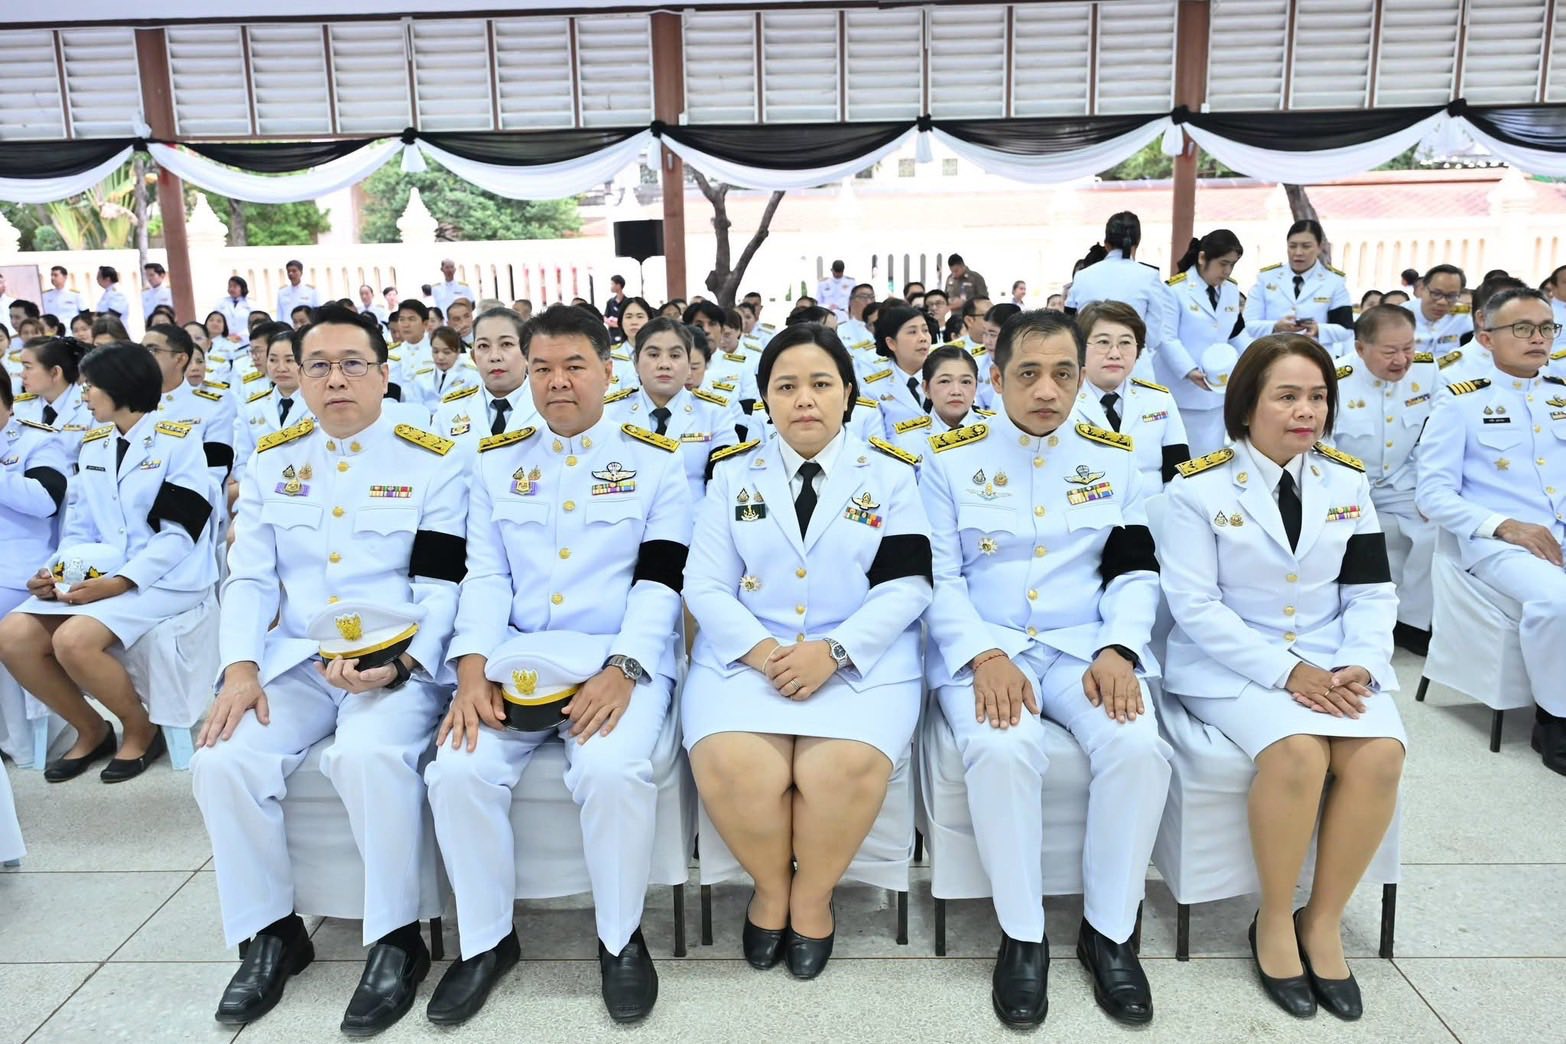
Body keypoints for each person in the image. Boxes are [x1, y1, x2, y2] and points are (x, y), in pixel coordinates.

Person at [191, 304, 468, 1033]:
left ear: (383, 374)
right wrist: (241, 669)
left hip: (396, 659)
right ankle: (271, 933)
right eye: (319, 365)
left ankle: (396, 940)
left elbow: (442, 583)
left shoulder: (433, 457)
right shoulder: (275, 460)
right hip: (299, 662)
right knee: (222, 759)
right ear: (299, 378)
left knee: (370, 756)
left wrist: (403, 662)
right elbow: (249, 579)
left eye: (353, 364)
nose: (336, 379)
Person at [423, 304, 690, 1025]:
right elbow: (485, 579)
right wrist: (471, 669)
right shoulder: (495, 463)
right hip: (516, 665)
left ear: (609, 371)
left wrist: (625, 667)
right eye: (542, 367)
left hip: (617, 662)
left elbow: (661, 581)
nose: (557, 382)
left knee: (611, 770)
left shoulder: (656, 463)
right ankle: (484, 942)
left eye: (574, 366)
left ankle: (619, 939)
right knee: (457, 769)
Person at [920, 309, 1169, 1027]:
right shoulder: (948, 457)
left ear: (1082, 376)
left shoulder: (1114, 455)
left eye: (1064, 372)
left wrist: (1121, 647)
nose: (1048, 390)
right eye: (1028, 373)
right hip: (987, 643)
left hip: (1082, 645)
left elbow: (1133, 569)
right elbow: (935, 575)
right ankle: (1023, 936)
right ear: (996, 380)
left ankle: (1109, 933)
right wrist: (983, 654)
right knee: (1003, 748)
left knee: (1136, 745)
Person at [1157, 334, 1404, 1022]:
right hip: (1229, 663)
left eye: (1318, 397)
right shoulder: (1198, 488)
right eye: (1287, 396)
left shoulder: (1347, 481)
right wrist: (1287, 671)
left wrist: (1362, 659)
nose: (1306, 412)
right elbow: (1195, 608)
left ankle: (1320, 920)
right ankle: (1271, 919)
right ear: (1246, 407)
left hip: (1333, 657)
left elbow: (1371, 590)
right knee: (1298, 752)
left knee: (1381, 755)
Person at [684, 322, 932, 981]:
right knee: (737, 766)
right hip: (747, 656)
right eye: (786, 386)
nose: (804, 400)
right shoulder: (732, 474)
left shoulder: (892, 474)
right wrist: (764, 652)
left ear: (848, 393)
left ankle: (812, 898)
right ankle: (771, 890)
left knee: (840, 768)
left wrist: (837, 650)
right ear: (764, 398)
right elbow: (703, 584)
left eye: (820, 384)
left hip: (860, 659)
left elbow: (908, 584)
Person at [0, 343, 217, 783]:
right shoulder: (95, 444)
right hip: (100, 575)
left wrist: (121, 582)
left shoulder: (179, 442)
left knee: (74, 640)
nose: (84, 396)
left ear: (122, 387)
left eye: (91, 386)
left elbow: (180, 534)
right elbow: (79, 527)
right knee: (14, 635)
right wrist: (56, 574)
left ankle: (139, 729)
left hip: (166, 579)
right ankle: (91, 728)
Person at [1417, 287, 1566, 775]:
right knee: (1557, 602)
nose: (1537, 338)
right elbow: (1433, 495)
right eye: (1522, 328)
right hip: (1499, 544)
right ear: (1487, 337)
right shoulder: (1460, 402)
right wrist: (1505, 526)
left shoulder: (1561, 395)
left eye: (1546, 328)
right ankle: (1555, 718)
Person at [1330, 306, 1438, 653]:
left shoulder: (1427, 371)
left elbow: (1432, 436)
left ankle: (1412, 621)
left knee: (1437, 529)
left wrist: (1428, 489)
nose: (1402, 360)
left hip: (1400, 482)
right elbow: (1322, 447)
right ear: (1361, 348)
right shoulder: (1334, 378)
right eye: (1390, 351)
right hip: (1345, 485)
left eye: (1408, 348)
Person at [0, 370, 72, 758]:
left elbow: (45, 501)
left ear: (9, 403)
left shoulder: (36, 441)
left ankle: (18, 742)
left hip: (19, 567)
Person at [607, 316, 740, 502]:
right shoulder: (610, 413)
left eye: (675, 356)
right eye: (653, 355)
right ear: (636, 363)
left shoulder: (714, 412)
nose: (664, 364)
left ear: (688, 364)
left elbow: (724, 483)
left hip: (695, 523)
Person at [1075, 301, 1190, 488]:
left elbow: (1178, 473)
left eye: (1125, 343)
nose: (1115, 354)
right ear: (1079, 347)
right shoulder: (1064, 401)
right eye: (1103, 342)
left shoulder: (1159, 400)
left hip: (1152, 511)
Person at [1161, 229, 1249, 455]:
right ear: (1202, 258)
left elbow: (1236, 333)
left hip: (1217, 392)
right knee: (1180, 460)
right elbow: (1166, 338)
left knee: (1212, 459)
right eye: (1223, 264)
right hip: (1182, 392)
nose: (1227, 271)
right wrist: (1190, 370)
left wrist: (1256, 360)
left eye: (1232, 265)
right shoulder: (1174, 290)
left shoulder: (1231, 290)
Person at [1064, 212, 1168, 381]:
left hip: (1091, 364)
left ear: (1106, 244)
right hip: (1134, 366)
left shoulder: (1082, 276)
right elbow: (1153, 337)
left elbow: (1069, 322)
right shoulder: (1150, 276)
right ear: (1137, 243)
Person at [430, 308, 540, 452]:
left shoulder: (550, 406)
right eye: (483, 346)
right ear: (474, 357)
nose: (494, 356)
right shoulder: (449, 410)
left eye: (506, 344)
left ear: (527, 352)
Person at [145, 323, 236, 488]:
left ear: (180, 359)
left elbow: (213, 473)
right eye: (142, 350)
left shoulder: (213, 406)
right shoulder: (131, 404)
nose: (145, 357)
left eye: (153, 350)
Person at [1243, 219, 1354, 352]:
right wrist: (1275, 327)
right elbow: (1249, 325)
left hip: (1314, 354)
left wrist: (1319, 329)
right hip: (1272, 353)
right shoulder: (1266, 278)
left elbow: (1345, 329)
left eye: (1306, 246)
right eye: (1292, 246)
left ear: (1319, 247)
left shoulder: (1334, 282)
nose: (1298, 252)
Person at [231, 324, 313, 490]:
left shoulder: (319, 404)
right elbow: (242, 462)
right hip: (261, 491)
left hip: (310, 491)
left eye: (289, 360)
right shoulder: (253, 407)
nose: (280, 368)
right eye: (273, 360)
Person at [888, 344, 987, 458]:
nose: (956, 391)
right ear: (926, 388)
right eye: (945, 381)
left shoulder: (994, 430)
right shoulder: (907, 441)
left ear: (976, 387)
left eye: (965, 382)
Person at [13, 336, 93, 449]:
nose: (22, 375)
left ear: (55, 372)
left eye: (28, 367)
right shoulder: (17, 408)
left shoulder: (91, 411)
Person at [1405, 263, 1480, 381]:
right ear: (1422, 289)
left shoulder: (1463, 315)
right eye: (1436, 294)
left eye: (1451, 296)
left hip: (1448, 381)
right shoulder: (1401, 314)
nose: (1442, 302)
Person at [864, 304, 932, 432]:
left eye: (925, 330)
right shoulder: (873, 389)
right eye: (912, 332)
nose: (923, 338)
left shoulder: (947, 374)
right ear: (891, 343)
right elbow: (875, 440)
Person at [409, 325, 477, 414]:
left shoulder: (471, 376)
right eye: (435, 351)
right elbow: (414, 409)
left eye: (447, 352)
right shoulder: (421, 377)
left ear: (457, 352)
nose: (440, 357)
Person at [217, 277, 253, 348]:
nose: (231, 289)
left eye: (235, 286)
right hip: (225, 339)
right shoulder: (221, 303)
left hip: (245, 341)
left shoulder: (251, 304)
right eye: (230, 286)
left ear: (242, 288)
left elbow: (254, 323)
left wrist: (241, 336)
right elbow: (216, 319)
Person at [605, 275, 628, 341]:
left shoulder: (627, 302)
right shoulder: (610, 302)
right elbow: (605, 317)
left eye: (612, 284)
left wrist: (619, 324)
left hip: (624, 335)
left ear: (618, 285)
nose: (611, 286)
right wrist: (612, 323)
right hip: (612, 335)